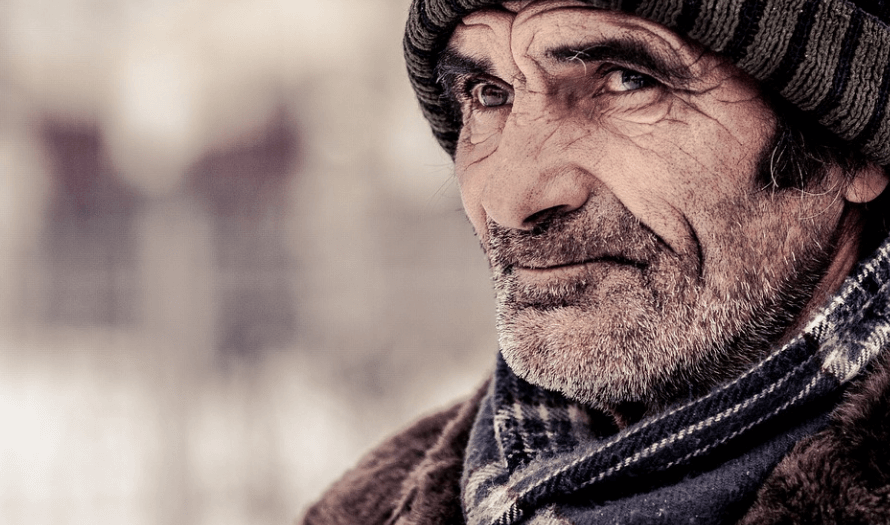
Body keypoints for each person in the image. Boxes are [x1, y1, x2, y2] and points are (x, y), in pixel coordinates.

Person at [302, 0, 890, 523]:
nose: (510, 199)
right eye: (488, 94)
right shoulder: (366, 509)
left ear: (850, 153)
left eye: (629, 80)